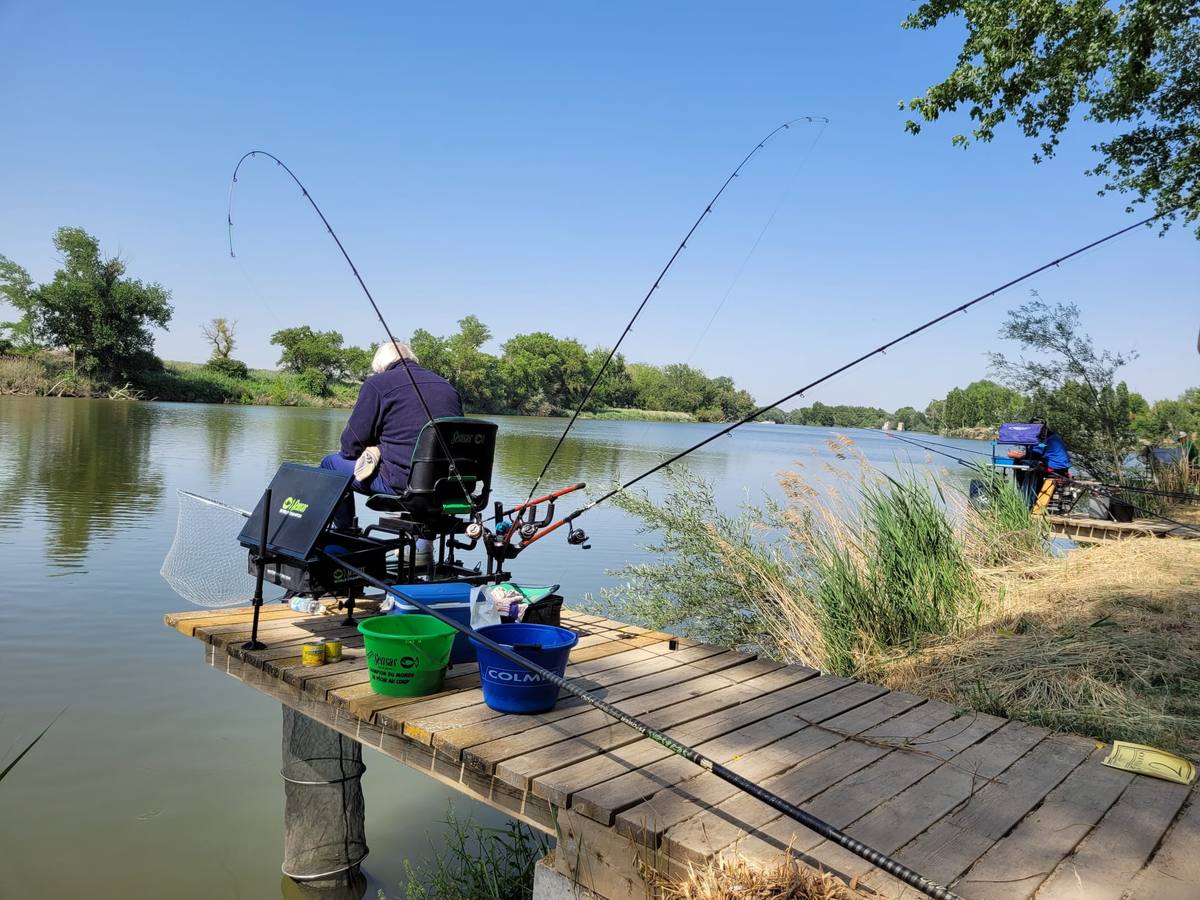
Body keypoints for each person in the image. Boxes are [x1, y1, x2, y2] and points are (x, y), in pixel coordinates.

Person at [320, 339, 463, 529]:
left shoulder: (377, 383)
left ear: (381, 367)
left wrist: (375, 450)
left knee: (330, 464)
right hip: (451, 488)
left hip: (404, 485)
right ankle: (423, 547)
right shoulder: (448, 387)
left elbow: (350, 447)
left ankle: (345, 535)